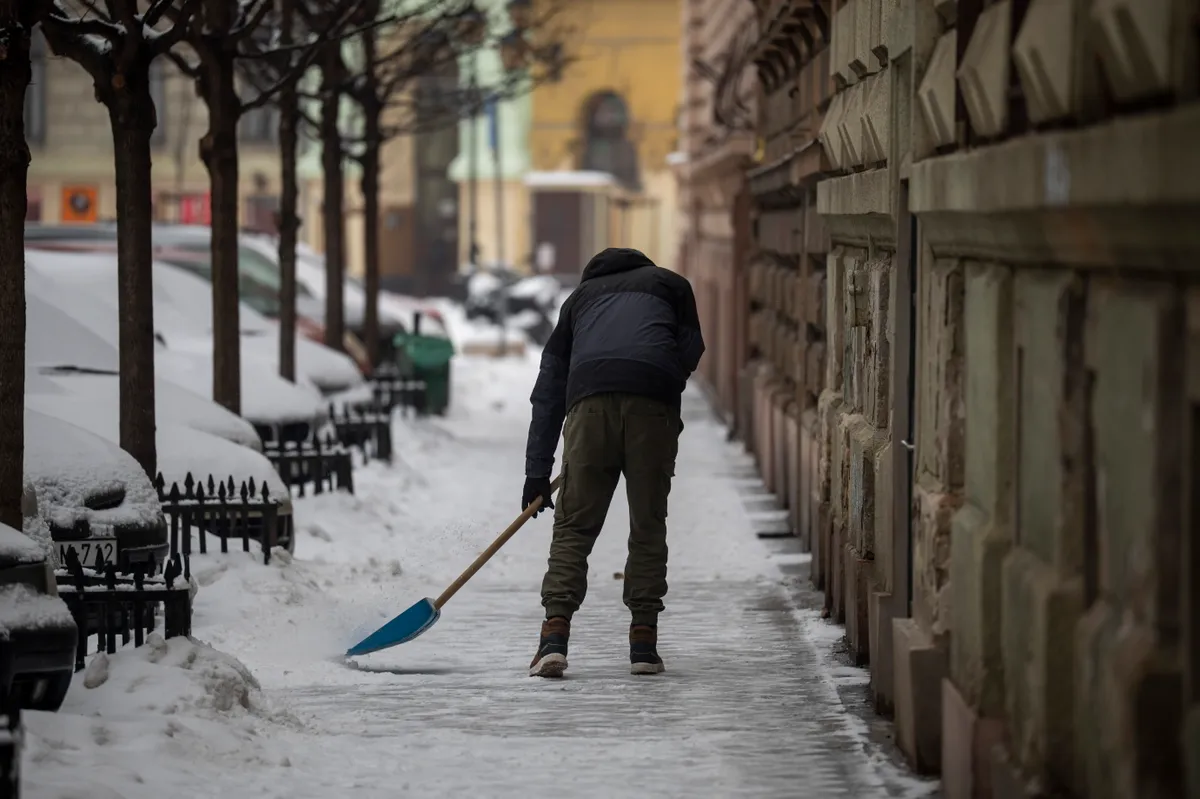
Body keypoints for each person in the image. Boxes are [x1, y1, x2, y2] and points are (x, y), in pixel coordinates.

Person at [521, 247, 705, 678]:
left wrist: (536, 470)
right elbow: (691, 348)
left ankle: (554, 638)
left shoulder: (578, 301)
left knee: (574, 526)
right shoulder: (672, 285)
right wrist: (655, 377)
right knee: (647, 523)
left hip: (589, 409)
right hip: (651, 408)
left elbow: (549, 386)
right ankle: (644, 643)